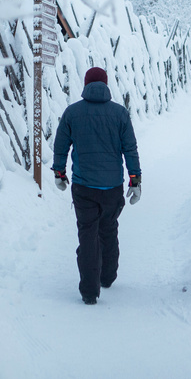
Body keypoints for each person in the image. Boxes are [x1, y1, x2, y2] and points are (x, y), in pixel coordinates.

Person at [51, 66, 141, 305]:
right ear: (106, 84)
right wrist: (135, 180)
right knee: (109, 229)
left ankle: (89, 292)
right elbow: (130, 149)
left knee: (88, 234)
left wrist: (59, 173)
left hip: (83, 187)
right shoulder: (120, 113)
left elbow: (61, 147)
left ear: (85, 84)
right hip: (112, 187)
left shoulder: (72, 113)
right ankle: (108, 276)